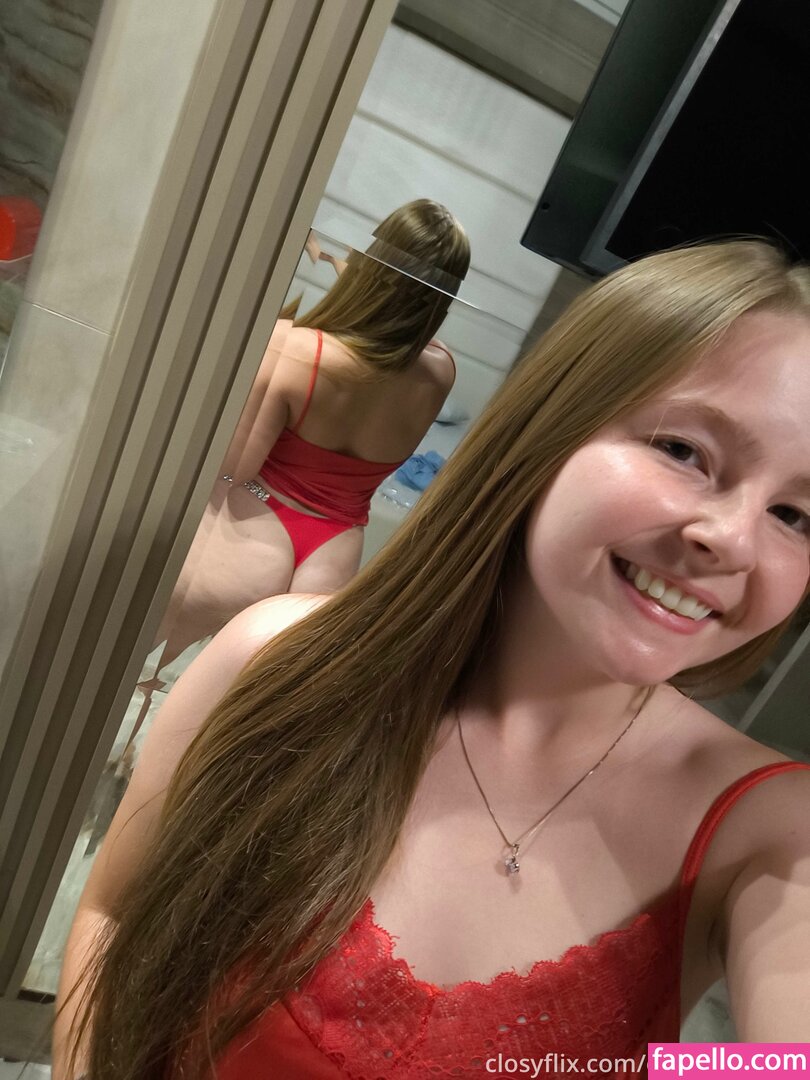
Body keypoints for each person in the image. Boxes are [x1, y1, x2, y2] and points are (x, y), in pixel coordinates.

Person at [55, 239, 810, 1080]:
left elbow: (785, 1060)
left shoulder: (771, 830)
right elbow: (116, 915)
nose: (734, 540)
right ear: (551, 428)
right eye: (685, 451)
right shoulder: (275, 662)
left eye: (797, 516)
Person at [150, 198, 471, 679]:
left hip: (252, 528)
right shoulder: (440, 370)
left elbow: (234, 467)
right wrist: (337, 264)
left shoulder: (296, 349)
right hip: (333, 554)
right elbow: (387, 337)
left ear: (373, 261)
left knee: (145, 678)